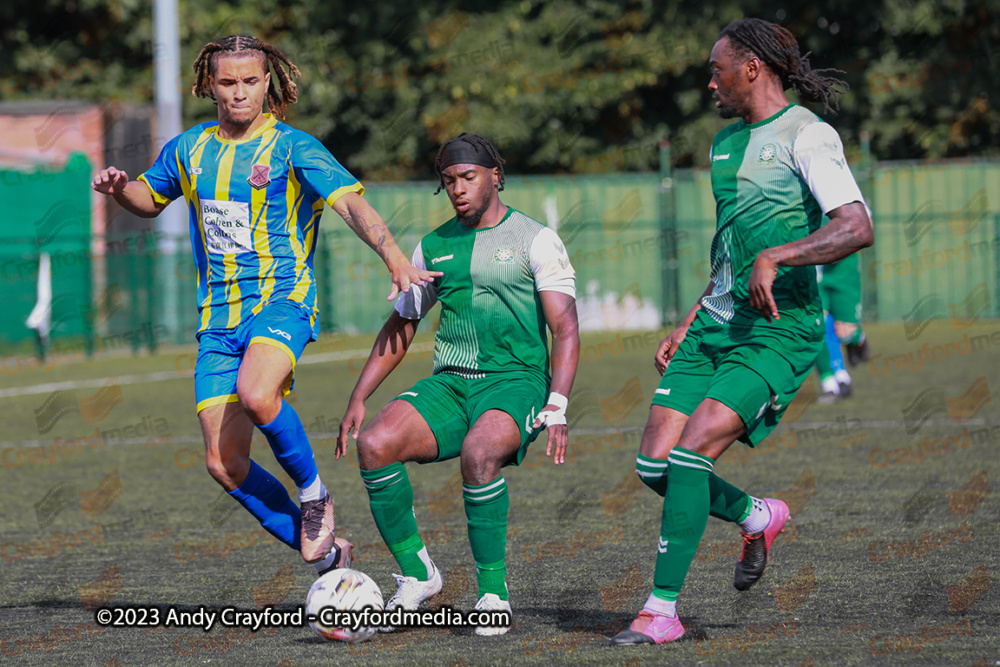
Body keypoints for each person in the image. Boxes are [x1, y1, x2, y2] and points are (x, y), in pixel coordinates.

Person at [91, 35, 438, 576]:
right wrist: (119, 189)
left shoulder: (293, 147)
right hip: (217, 318)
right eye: (227, 83)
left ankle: (315, 493)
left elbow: (350, 204)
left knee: (258, 393)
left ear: (268, 82)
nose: (239, 93)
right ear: (210, 85)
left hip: (282, 299)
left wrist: (393, 255)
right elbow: (148, 199)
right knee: (223, 464)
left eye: (250, 81)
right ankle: (331, 559)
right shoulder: (190, 148)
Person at [611, 18, 873, 645]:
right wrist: (687, 320)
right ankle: (757, 514)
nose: (710, 83)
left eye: (718, 69)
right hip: (715, 323)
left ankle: (661, 610)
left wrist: (780, 255)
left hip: (781, 329)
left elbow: (856, 225)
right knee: (654, 465)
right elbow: (730, 251)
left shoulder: (808, 136)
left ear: (752, 68)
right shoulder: (723, 146)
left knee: (693, 447)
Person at [337, 132, 580, 636]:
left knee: (479, 453)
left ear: (495, 175)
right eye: (448, 181)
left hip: (516, 383)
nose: (457, 189)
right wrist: (359, 396)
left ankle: (492, 593)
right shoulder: (433, 246)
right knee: (376, 443)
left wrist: (557, 403)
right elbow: (401, 327)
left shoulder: (536, 239)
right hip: (450, 384)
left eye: (467, 177)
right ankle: (418, 576)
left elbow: (565, 327)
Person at [815, 256, 870, 402]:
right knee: (816, 327)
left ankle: (858, 338)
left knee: (845, 332)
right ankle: (830, 384)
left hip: (843, 270)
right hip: (814, 270)